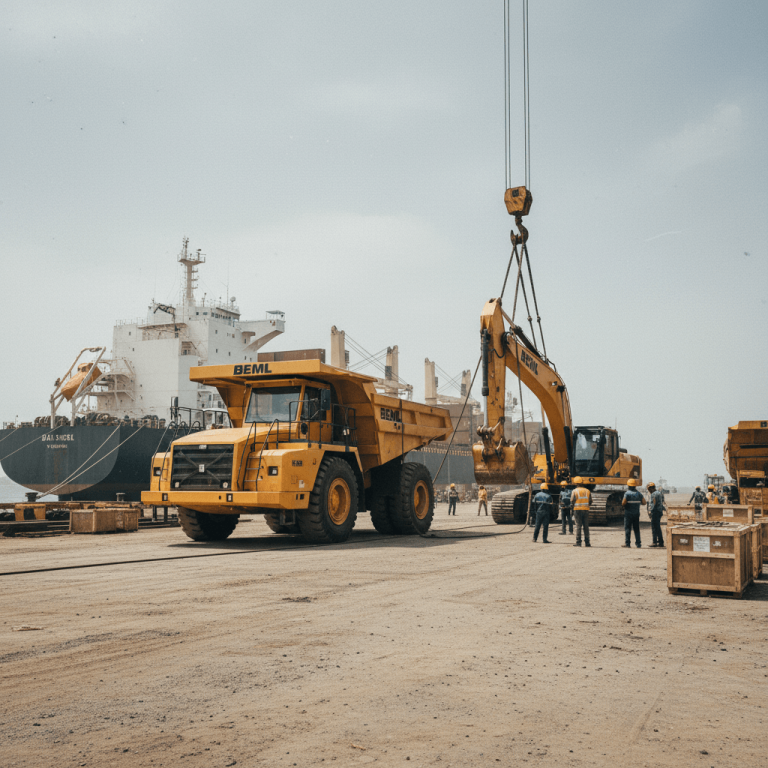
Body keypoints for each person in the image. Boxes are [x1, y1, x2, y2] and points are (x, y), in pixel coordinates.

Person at [622, 478, 644, 548]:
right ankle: (638, 544)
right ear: (635, 486)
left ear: (628, 486)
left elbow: (623, 503)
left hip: (628, 514)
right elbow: (644, 502)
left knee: (628, 528)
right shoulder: (639, 494)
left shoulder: (627, 493)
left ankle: (627, 543)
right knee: (636, 528)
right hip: (636, 514)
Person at [570, 477, 591, 547]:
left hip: (577, 510)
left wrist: (571, 509)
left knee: (578, 526)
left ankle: (578, 542)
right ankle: (587, 543)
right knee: (586, 526)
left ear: (576, 483)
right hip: (585, 510)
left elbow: (572, 501)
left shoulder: (574, 491)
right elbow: (590, 501)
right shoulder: (588, 491)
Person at [646, 481, 666, 547]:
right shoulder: (659, 493)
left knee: (654, 527)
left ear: (650, 488)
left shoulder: (653, 494)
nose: (649, 491)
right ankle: (661, 542)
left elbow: (654, 504)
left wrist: (651, 512)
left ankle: (654, 542)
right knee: (657, 527)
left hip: (655, 512)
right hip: (659, 512)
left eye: (649, 489)